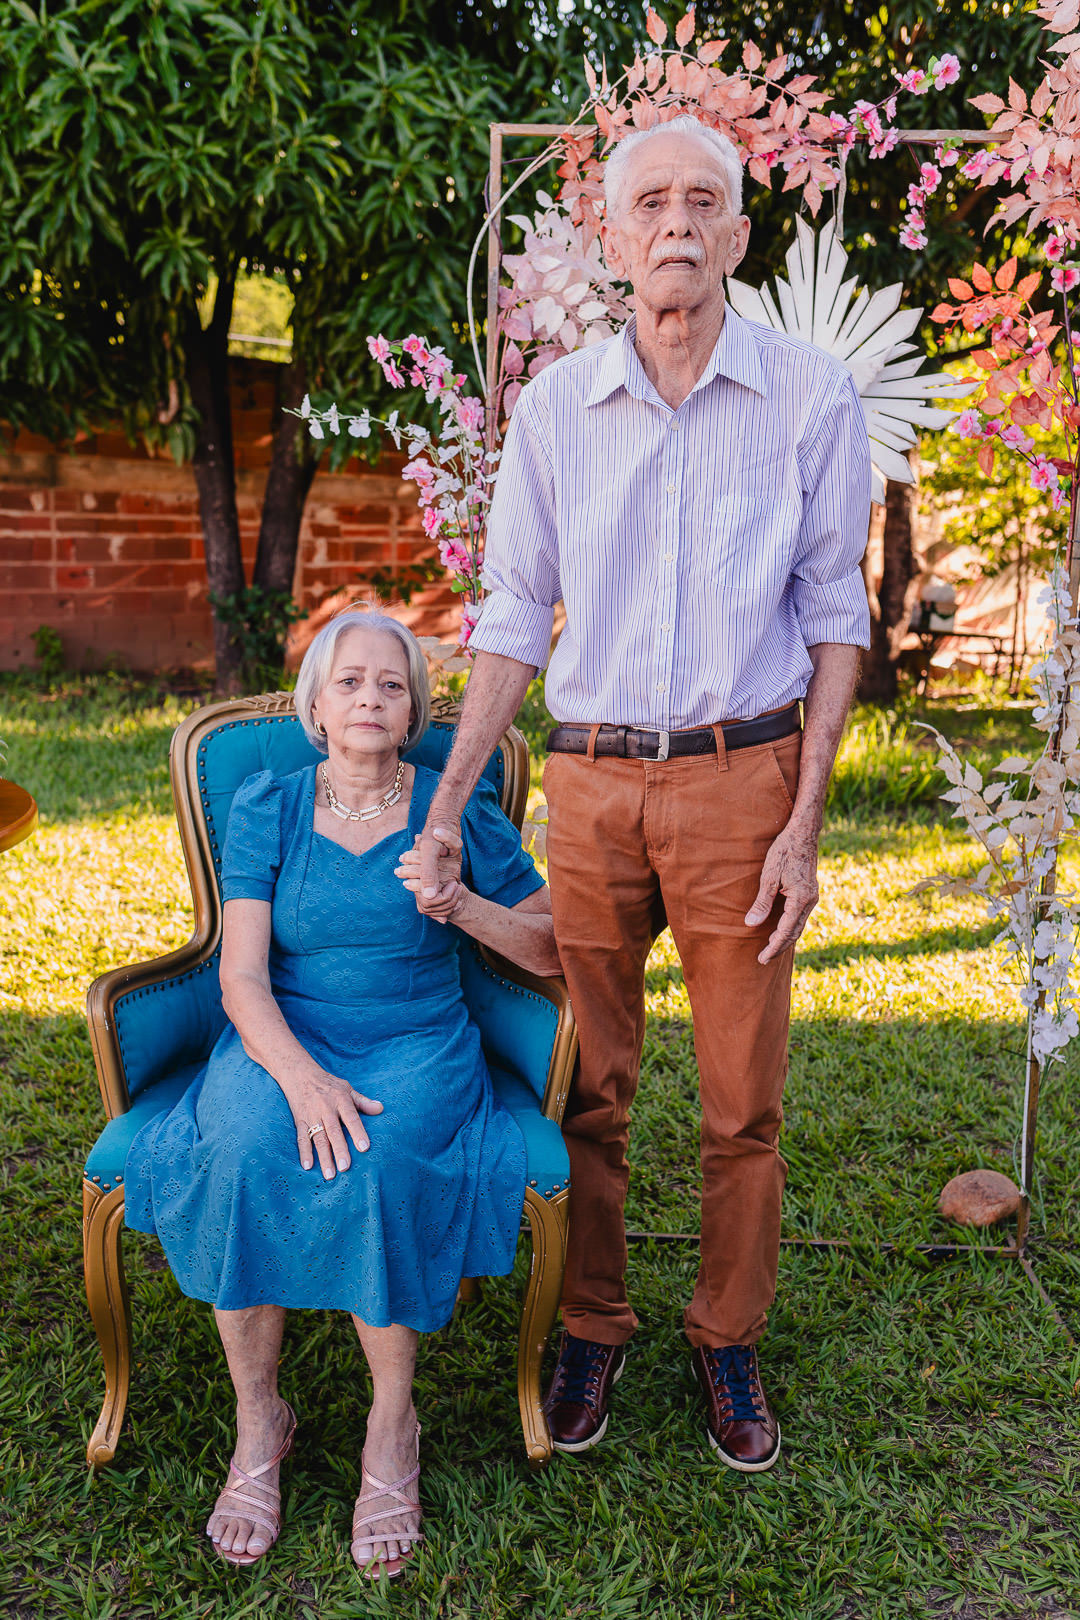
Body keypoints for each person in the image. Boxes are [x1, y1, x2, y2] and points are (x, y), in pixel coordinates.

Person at [416, 116, 871, 1472]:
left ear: (739, 234)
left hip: (745, 780)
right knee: (589, 1082)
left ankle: (728, 1336)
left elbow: (835, 614)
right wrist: (445, 806)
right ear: (613, 239)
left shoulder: (810, 395)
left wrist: (803, 824)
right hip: (595, 783)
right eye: (651, 202)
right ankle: (593, 1322)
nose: (677, 221)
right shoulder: (557, 409)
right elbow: (513, 613)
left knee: (743, 1102)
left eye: (703, 200)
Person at [124, 607, 558, 1575]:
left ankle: (392, 1427)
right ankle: (259, 1419)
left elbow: (553, 946)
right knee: (241, 1149)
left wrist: (459, 903)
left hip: (414, 1039)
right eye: (350, 681)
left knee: (381, 1159)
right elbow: (241, 977)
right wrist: (301, 1077)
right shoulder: (268, 805)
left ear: (412, 714)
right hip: (283, 1034)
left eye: (391, 684)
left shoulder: (452, 810)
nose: (370, 698)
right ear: (316, 706)